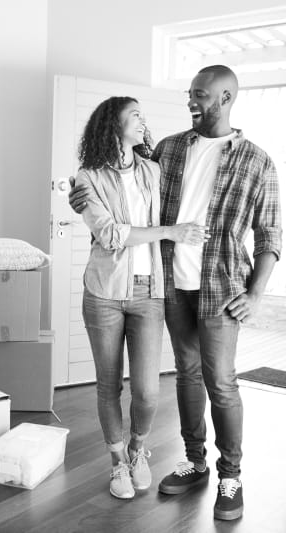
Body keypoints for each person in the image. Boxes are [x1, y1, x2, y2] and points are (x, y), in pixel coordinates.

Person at [69, 65, 282, 520]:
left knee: (221, 382)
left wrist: (258, 293)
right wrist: (82, 197)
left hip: (220, 289)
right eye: (190, 93)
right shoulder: (167, 150)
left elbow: (270, 236)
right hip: (167, 286)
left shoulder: (258, 161)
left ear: (224, 99)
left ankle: (231, 475)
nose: (191, 101)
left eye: (200, 95)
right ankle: (195, 461)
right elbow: (120, 189)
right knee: (186, 375)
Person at [74, 96, 209, 500]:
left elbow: (190, 195)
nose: (142, 120)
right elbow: (111, 235)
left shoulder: (153, 170)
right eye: (134, 115)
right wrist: (169, 231)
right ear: (112, 124)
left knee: (148, 391)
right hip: (104, 294)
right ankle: (117, 463)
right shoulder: (88, 177)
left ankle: (137, 451)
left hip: (148, 293)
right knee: (108, 385)